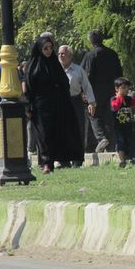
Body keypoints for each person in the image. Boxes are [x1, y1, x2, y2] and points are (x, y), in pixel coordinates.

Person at [25, 36, 83, 174]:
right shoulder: (33, 64)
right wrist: (28, 106)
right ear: (40, 49)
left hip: (56, 105)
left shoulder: (54, 64)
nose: (48, 51)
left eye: (51, 48)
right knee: (43, 135)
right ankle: (46, 163)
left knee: (55, 133)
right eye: (45, 48)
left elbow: (63, 82)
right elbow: (29, 87)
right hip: (40, 106)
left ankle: (61, 161)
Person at [81, 29, 123, 153]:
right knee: (109, 117)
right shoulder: (113, 54)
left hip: (95, 91)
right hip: (111, 90)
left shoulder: (90, 56)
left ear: (91, 40)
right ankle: (111, 145)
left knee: (93, 114)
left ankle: (101, 137)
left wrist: (85, 92)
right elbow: (119, 73)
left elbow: (86, 75)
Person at [58, 45, 96, 167]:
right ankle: (64, 161)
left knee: (78, 130)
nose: (60, 56)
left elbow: (87, 86)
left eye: (63, 53)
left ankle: (77, 160)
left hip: (75, 101)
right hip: (61, 103)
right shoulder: (54, 70)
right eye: (59, 54)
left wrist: (91, 102)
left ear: (70, 56)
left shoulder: (78, 70)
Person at [110, 77, 135, 168]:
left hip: (129, 126)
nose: (126, 90)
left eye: (127, 88)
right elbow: (115, 107)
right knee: (121, 143)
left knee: (130, 142)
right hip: (118, 127)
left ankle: (133, 159)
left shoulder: (129, 99)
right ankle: (122, 161)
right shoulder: (113, 99)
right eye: (123, 88)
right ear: (117, 88)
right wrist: (120, 97)